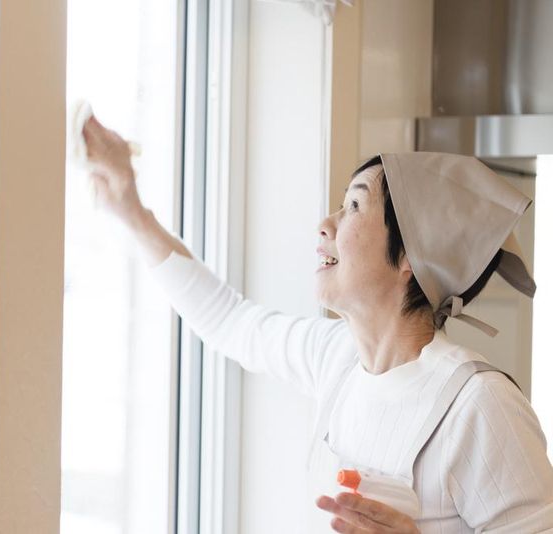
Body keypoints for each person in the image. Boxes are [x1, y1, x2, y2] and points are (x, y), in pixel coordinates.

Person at [81, 114, 553, 533]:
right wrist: (131, 209)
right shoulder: (337, 356)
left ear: (412, 255)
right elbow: (230, 321)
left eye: (353, 207)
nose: (325, 224)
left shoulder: (480, 404)